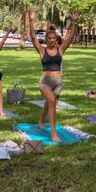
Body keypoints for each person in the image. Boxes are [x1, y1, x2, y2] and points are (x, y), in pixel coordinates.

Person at [28, 10, 79, 142]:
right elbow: (33, 38)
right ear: (46, 39)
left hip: (58, 83)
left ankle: (40, 121)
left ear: (56, 40)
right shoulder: (42, 50)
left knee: (49, 103)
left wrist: (73, 22)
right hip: (45, 81)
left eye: (53, 38)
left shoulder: (60, 50)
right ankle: (53, 133)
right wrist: (31, 21)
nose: (51, 40)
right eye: (49, 38)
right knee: (51, 102)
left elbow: (70, 37)